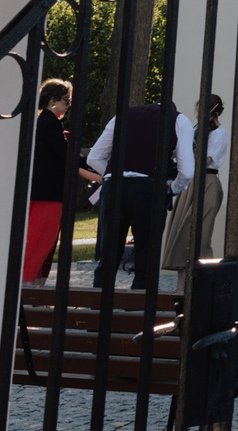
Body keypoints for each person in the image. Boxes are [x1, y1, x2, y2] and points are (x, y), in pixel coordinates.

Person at [84, 95, 196, 291]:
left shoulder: (123, 115)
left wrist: (112, 174)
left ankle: (99, 302)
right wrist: (173, 186)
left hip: (114, 187)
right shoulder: (178, 120)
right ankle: (138, 304)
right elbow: (187, 170)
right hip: (148, 188)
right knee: (146, 251)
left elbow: (93, 158)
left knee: (108, 250)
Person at [162, 93, 229, 279]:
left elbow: (205, 161)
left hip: (207, 182)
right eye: (198, 110)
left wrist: (191, 147)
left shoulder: (219, 133)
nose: (199, 114)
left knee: (200, 232)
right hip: (191, 182)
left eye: (202, 110)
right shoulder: (196, 129)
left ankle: (204, 280)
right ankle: (181, 284)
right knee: (181, 231)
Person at [23, 80, 76, 284]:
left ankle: (29, 282)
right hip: (50, 192)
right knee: (40, 241)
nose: (67, 106)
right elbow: (64, 155)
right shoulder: (51, 123)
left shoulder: (36, 122)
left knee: (32, 237)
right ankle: (27, 283)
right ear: (53, 100)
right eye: (65, 101)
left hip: (35, 189)